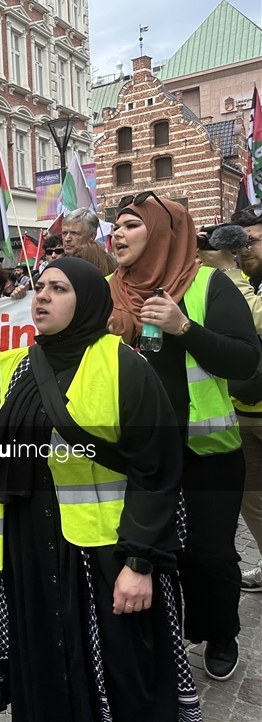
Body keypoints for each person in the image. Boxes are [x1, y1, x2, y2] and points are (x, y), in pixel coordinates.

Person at [0, 257, 200, 720]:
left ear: (89, 300)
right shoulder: (17, 367)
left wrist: (139, 561)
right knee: (43, 664)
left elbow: (157, 473)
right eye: (41, 287)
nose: (42, 296)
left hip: (103, 553)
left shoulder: (122, 365)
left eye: (60, 288)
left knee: (116, 673)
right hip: (29, 548)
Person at [107, 192, 259, 680]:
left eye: (131, 224)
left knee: (210, 555)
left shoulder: (208, 283)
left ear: (164, 231)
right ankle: (155, 639)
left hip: (206, 452)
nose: (118, 233)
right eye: (116, 225)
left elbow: (244, 359)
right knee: (144, 550)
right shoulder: (107, 288)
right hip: (135, 453)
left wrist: (184, 327)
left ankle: (220, 632)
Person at [198, 205, 262, 592]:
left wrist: (227, 271)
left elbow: (252, 319)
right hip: (244, 411)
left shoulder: (238, 280)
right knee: (252, 501)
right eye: (239, 242)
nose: (244, 249)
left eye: (252, 241)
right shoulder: (241, 281)